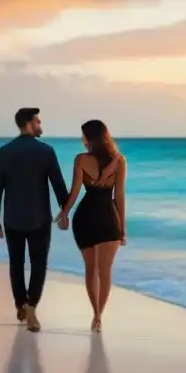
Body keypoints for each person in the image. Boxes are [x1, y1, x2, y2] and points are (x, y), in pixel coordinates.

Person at [0, 107, 70, 333]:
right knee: (38, 264)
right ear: (29, 123)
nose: (40, 124)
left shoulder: (2, 153)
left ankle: (20, 304)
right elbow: (58, 185)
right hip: (40, 219)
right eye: (38, 121)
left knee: (16, 264)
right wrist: (65, 211)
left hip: (12, 218)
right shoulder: (46, 152)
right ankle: (32, 307)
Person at [54, 119, 127, 333]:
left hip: (85, 218)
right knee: (105, 271)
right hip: (108, 219)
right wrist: (122, 228)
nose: (81, 139)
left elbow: (75, 192)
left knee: (90, 270)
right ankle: (98, 317)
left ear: (90, 137)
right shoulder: (119, 161)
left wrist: (64, 214)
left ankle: (95, 312)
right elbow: (119, 197)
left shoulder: (81, 160)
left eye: (83, 135)